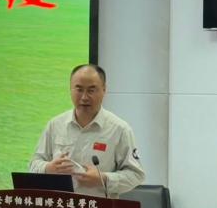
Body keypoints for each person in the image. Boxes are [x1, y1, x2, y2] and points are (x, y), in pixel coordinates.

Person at [28, 64, 145, 198]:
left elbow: (136, 175)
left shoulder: (120, 129)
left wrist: (103, 179)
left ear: (104, 90)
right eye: (79, 89)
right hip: (60, 207)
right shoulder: (55, 125)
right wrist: (48, 168)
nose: (84, 97)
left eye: (91, 90)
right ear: (70, 89)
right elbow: (33, 165)